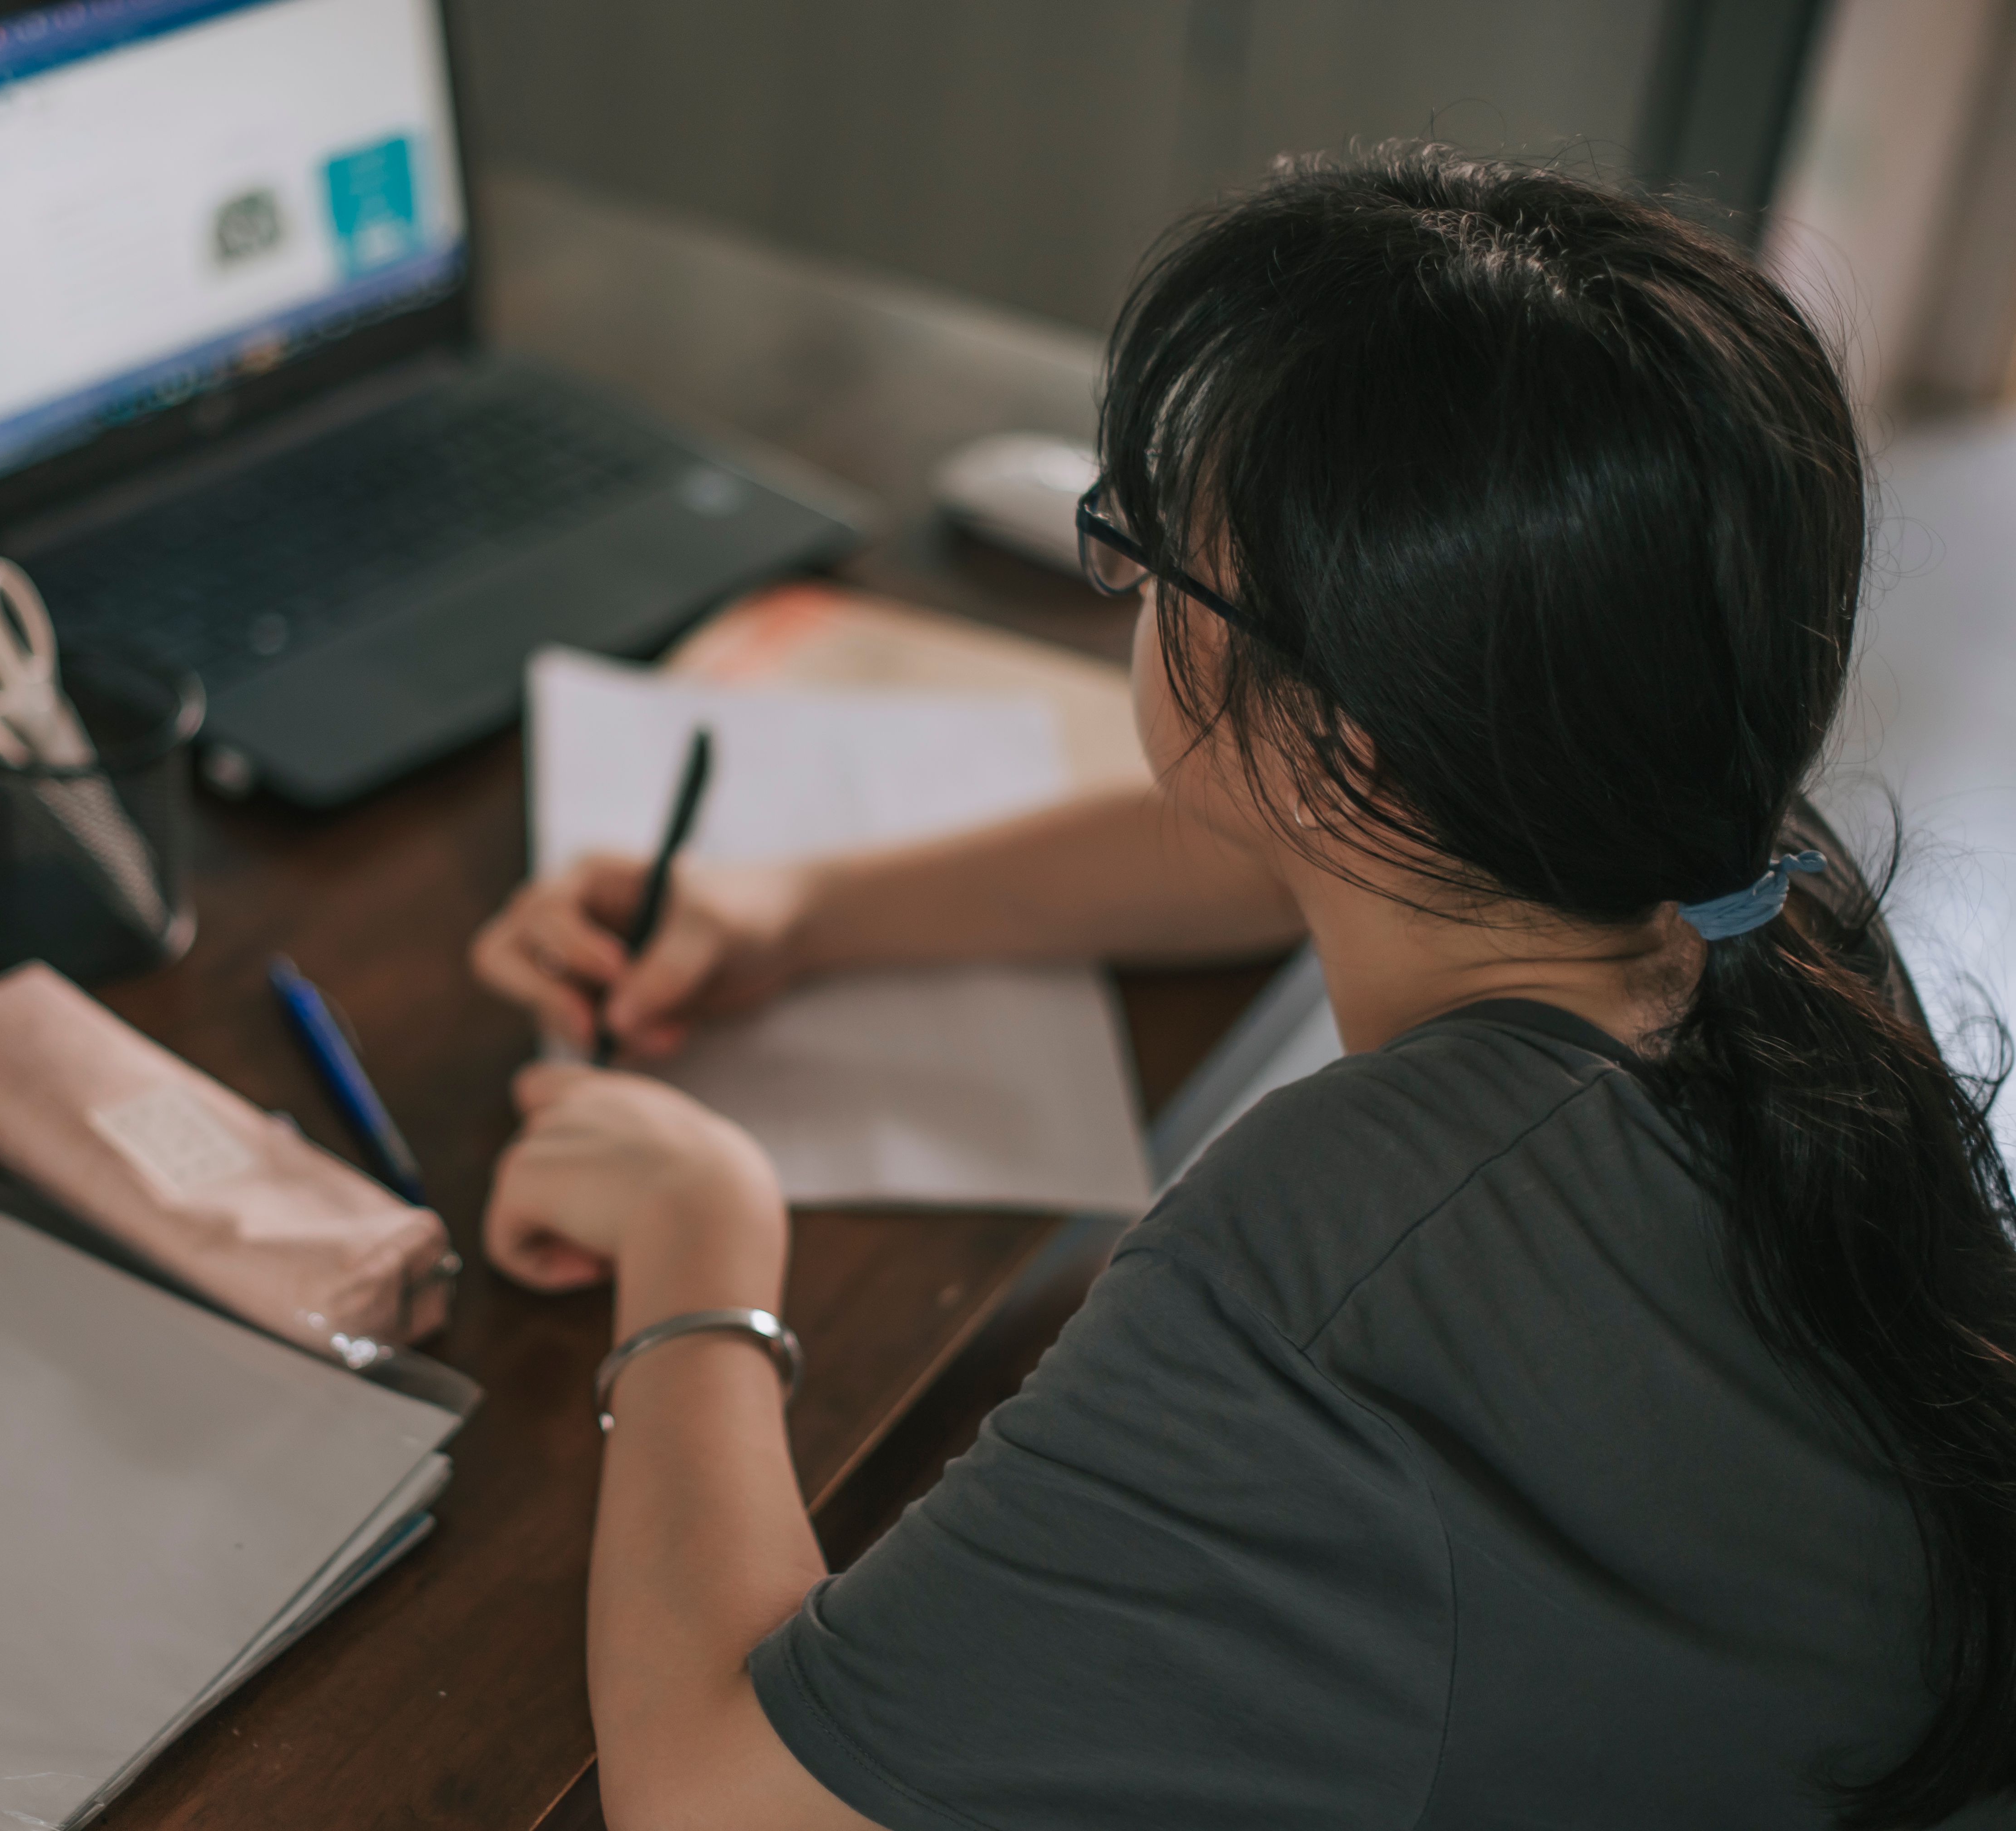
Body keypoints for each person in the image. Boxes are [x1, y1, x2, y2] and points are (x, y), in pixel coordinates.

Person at [466, 144, 2016, 1829]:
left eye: (1147, 562)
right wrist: (808, 908)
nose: (1133, 593)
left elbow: (713, 1802)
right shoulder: (1753, 887)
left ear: (1351, 744)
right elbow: (1271, 830)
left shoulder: (1327, 1255)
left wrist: (700, 1244)